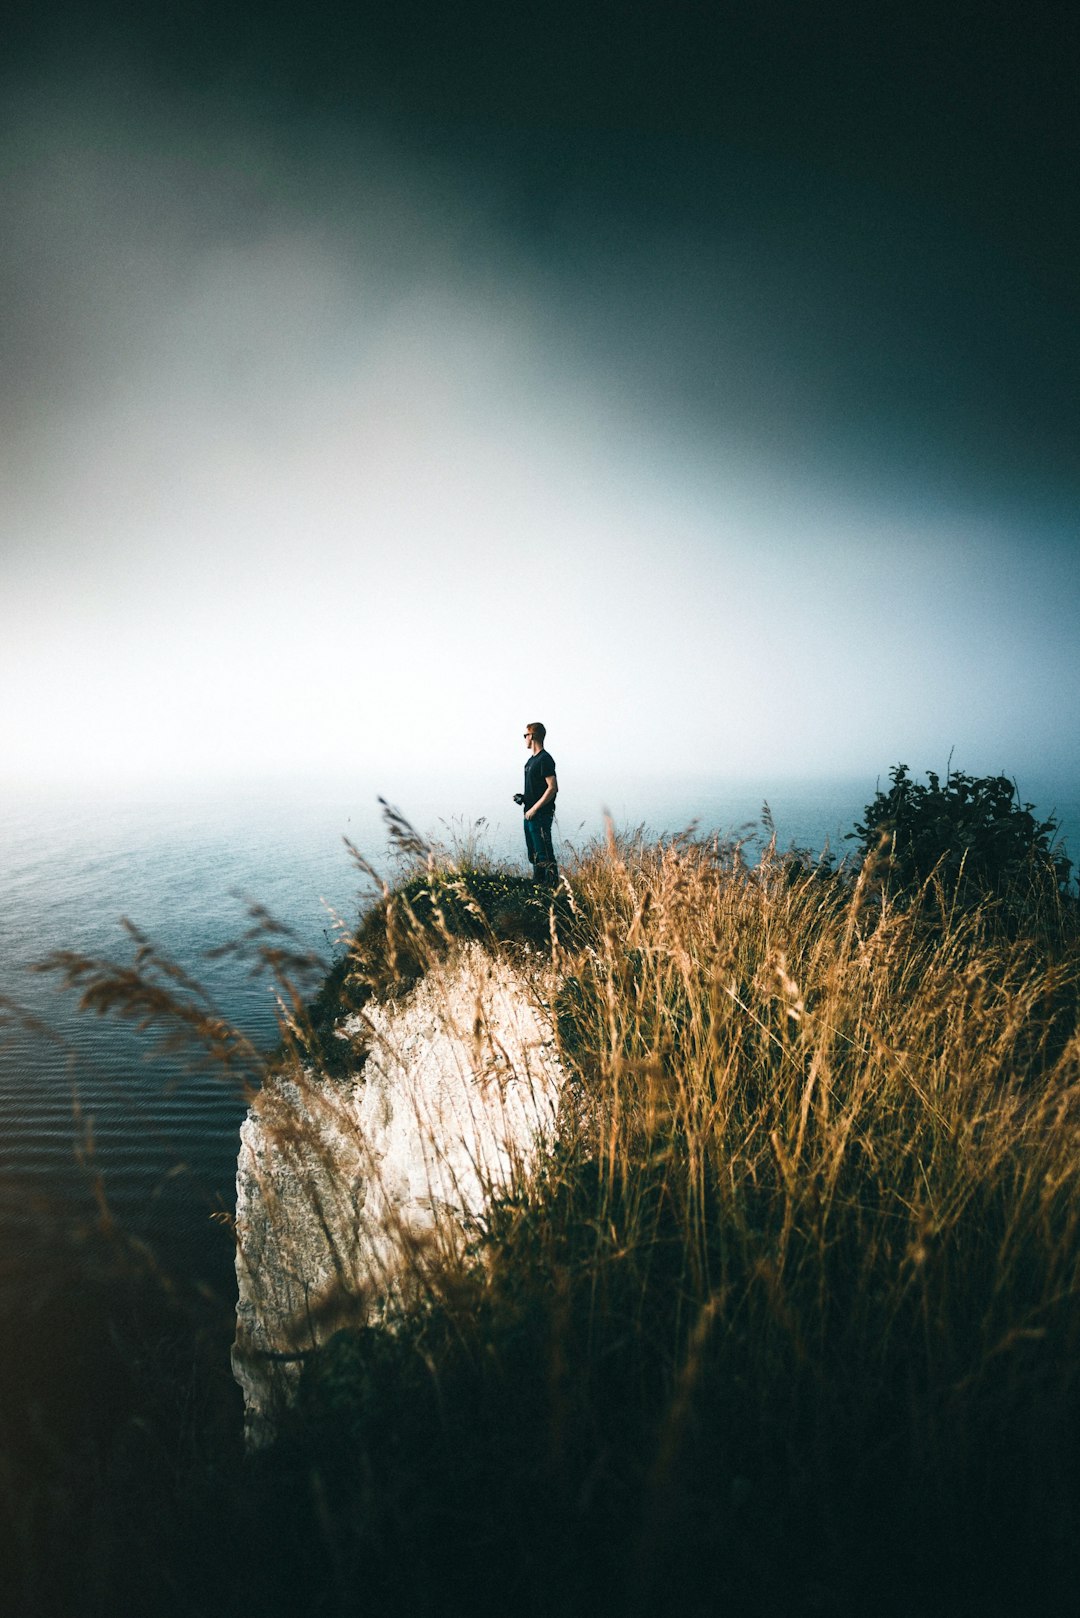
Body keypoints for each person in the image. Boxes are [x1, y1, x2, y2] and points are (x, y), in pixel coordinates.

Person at [513, 722, 559, 884]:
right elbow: (537, 789)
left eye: (525, 735)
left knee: (544, 854)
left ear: (532, 736)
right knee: (533, 854)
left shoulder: (545, 759)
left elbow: (552, 788)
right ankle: (538, 886)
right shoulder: (530, 761)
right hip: (529, 813)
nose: (524, 739)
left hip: (540, 815)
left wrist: (534, 809)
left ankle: (554, 890)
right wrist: (523, 798)